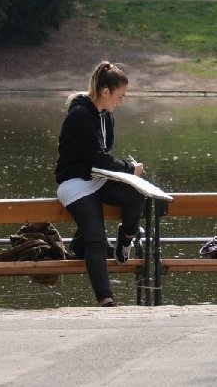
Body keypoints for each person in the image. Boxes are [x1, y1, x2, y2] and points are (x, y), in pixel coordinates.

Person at [54, 61, 146, 307]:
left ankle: (125, 240)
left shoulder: (107, 116)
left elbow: (104, 156)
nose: (121, 101)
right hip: (74, 182)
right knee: (95, 238)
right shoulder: (80, 115)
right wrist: (130, 168)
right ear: (105, 92)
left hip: (98, 177)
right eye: (120, 96)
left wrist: (127, 175)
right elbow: (97, 157)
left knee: (136, 195)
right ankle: (106, 300)